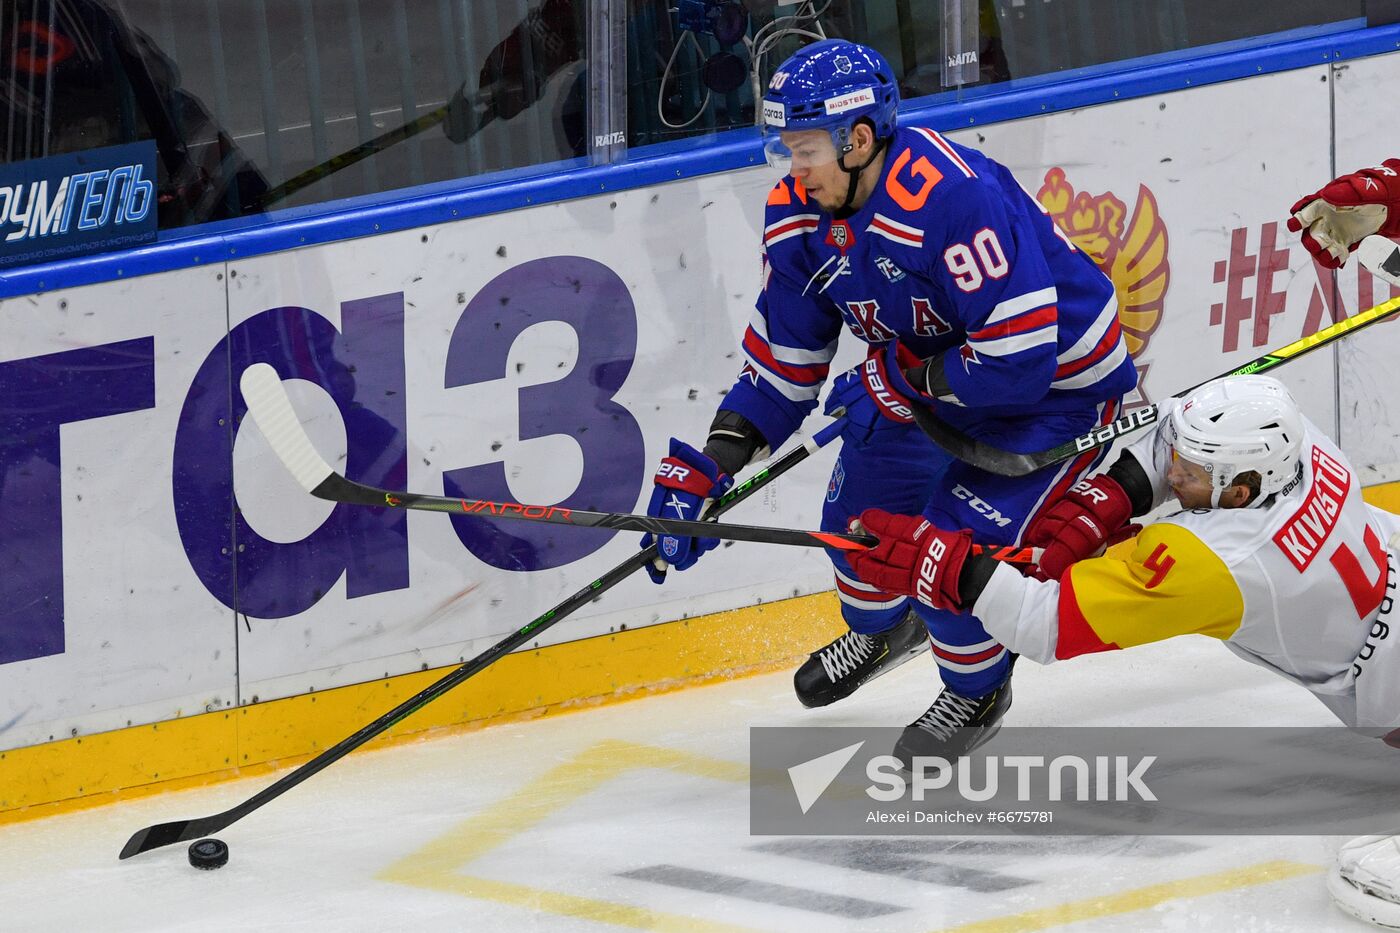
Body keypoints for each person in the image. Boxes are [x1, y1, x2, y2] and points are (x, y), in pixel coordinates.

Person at [639, 37, 1136, 761]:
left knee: (944, 546)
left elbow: (1018, 362)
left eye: (805, 150)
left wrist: (899, 382)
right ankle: (885, 628)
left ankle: (976, 687)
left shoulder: (950, 197)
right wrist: (712, 467)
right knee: (855, 525)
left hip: (1054, 391)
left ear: (859, 139)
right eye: (786, 149)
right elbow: (784, 363)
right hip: (933, 377)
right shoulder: (800, 216)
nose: (791, 169)